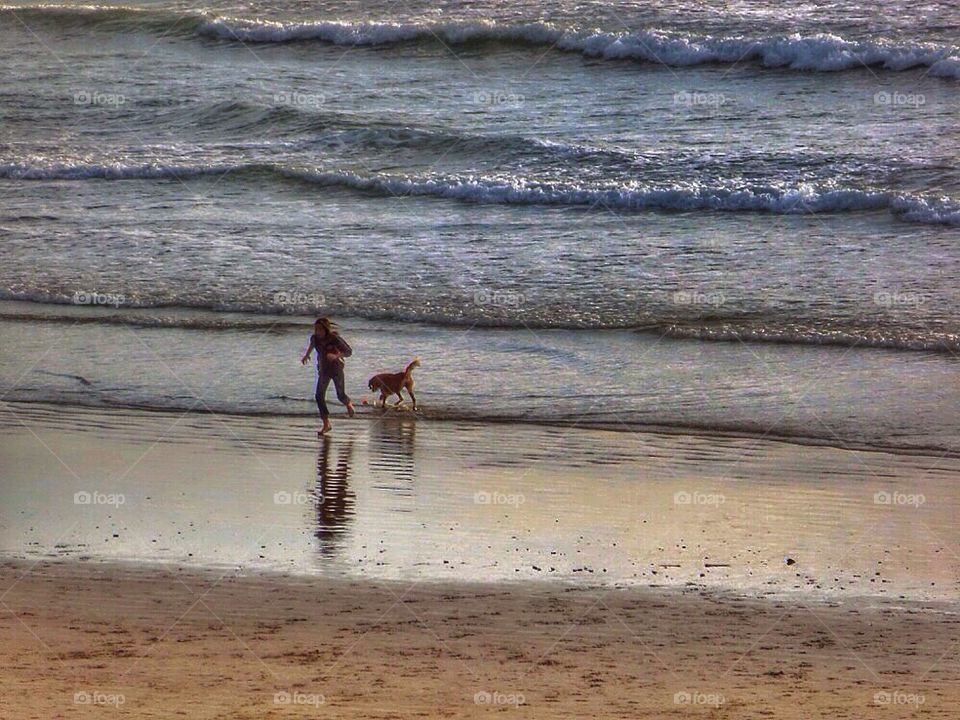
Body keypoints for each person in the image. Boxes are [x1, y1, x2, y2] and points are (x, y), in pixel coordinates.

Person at [301, 317, 355, 435]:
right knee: (319, 396)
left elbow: (349, 352)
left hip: (336, 369)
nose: (317, 332)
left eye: (320, 329)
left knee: (340, 395)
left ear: (326, 329)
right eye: (316, 329)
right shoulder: (314, 338)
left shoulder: (334, 338)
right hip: (323, 370)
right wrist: (306, 355)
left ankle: (348, 403)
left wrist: (336, 356)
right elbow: (312, 344)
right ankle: (326, 424)